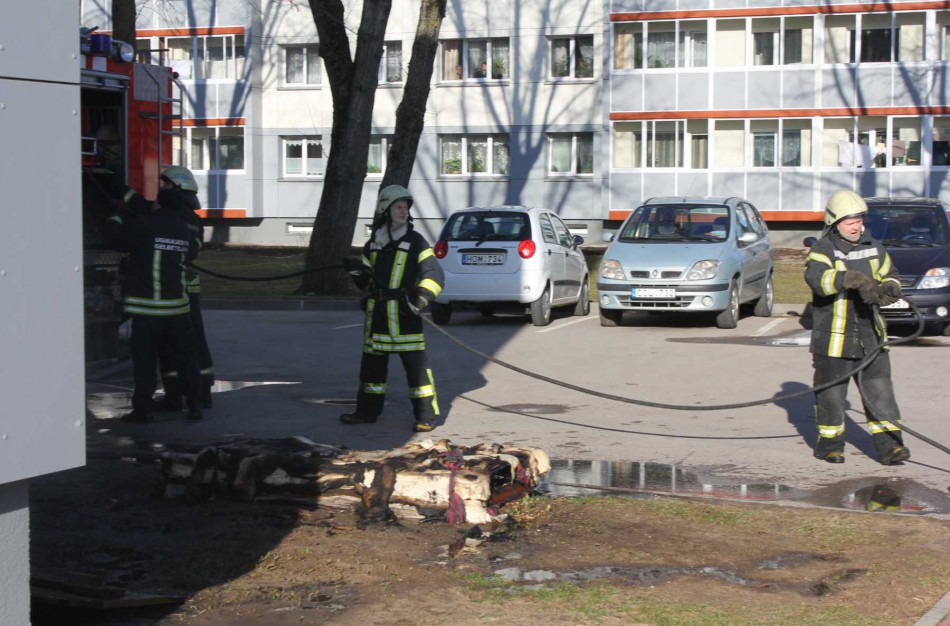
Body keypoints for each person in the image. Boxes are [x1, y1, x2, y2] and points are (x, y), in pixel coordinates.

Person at [804, 189, 909, 465]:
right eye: (850, 221)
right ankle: (830, 446)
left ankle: (891, 447)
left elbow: (891, 275)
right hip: (833, 340)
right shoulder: (822, 249)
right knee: (831, 397)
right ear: (834, 222)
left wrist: (889, 289)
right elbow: (818, 280)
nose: (856, 226)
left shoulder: (874, 247)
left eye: (859, 220)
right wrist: (849, 279)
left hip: (871, 337)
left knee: (881, 394)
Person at [340, 185, 445, 432]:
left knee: (417, 372)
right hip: (377, 319)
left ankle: (426, 416)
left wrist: (420, 300)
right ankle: (366, 412)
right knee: (371, 371)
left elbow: (434, 275)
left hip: (405, 316)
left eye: (406, 207)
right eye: (399, 207)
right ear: (385, 210)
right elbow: (368, 282)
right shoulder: (374, 244)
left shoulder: (416, 242)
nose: (404, 211)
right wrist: (358, 274)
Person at [103, 180, 204, 422]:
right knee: (186, 359)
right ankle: (195, 406)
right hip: (177, 309)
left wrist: (117, 215)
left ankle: (143, 410)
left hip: (147, 309)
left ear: (158, 204)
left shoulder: (144, 225)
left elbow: (115, 240)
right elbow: (191, 253)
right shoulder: (184, 230)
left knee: (145, 362)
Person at [152, 166, 215, 411]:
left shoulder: (177, 217)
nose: (162, 189)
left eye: (166, 185)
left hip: (177, 288)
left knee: (173, 343)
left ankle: (176, 395)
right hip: (187, 287)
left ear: (177, 188)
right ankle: (201, 392)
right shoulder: (192, 218)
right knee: (193, 340)